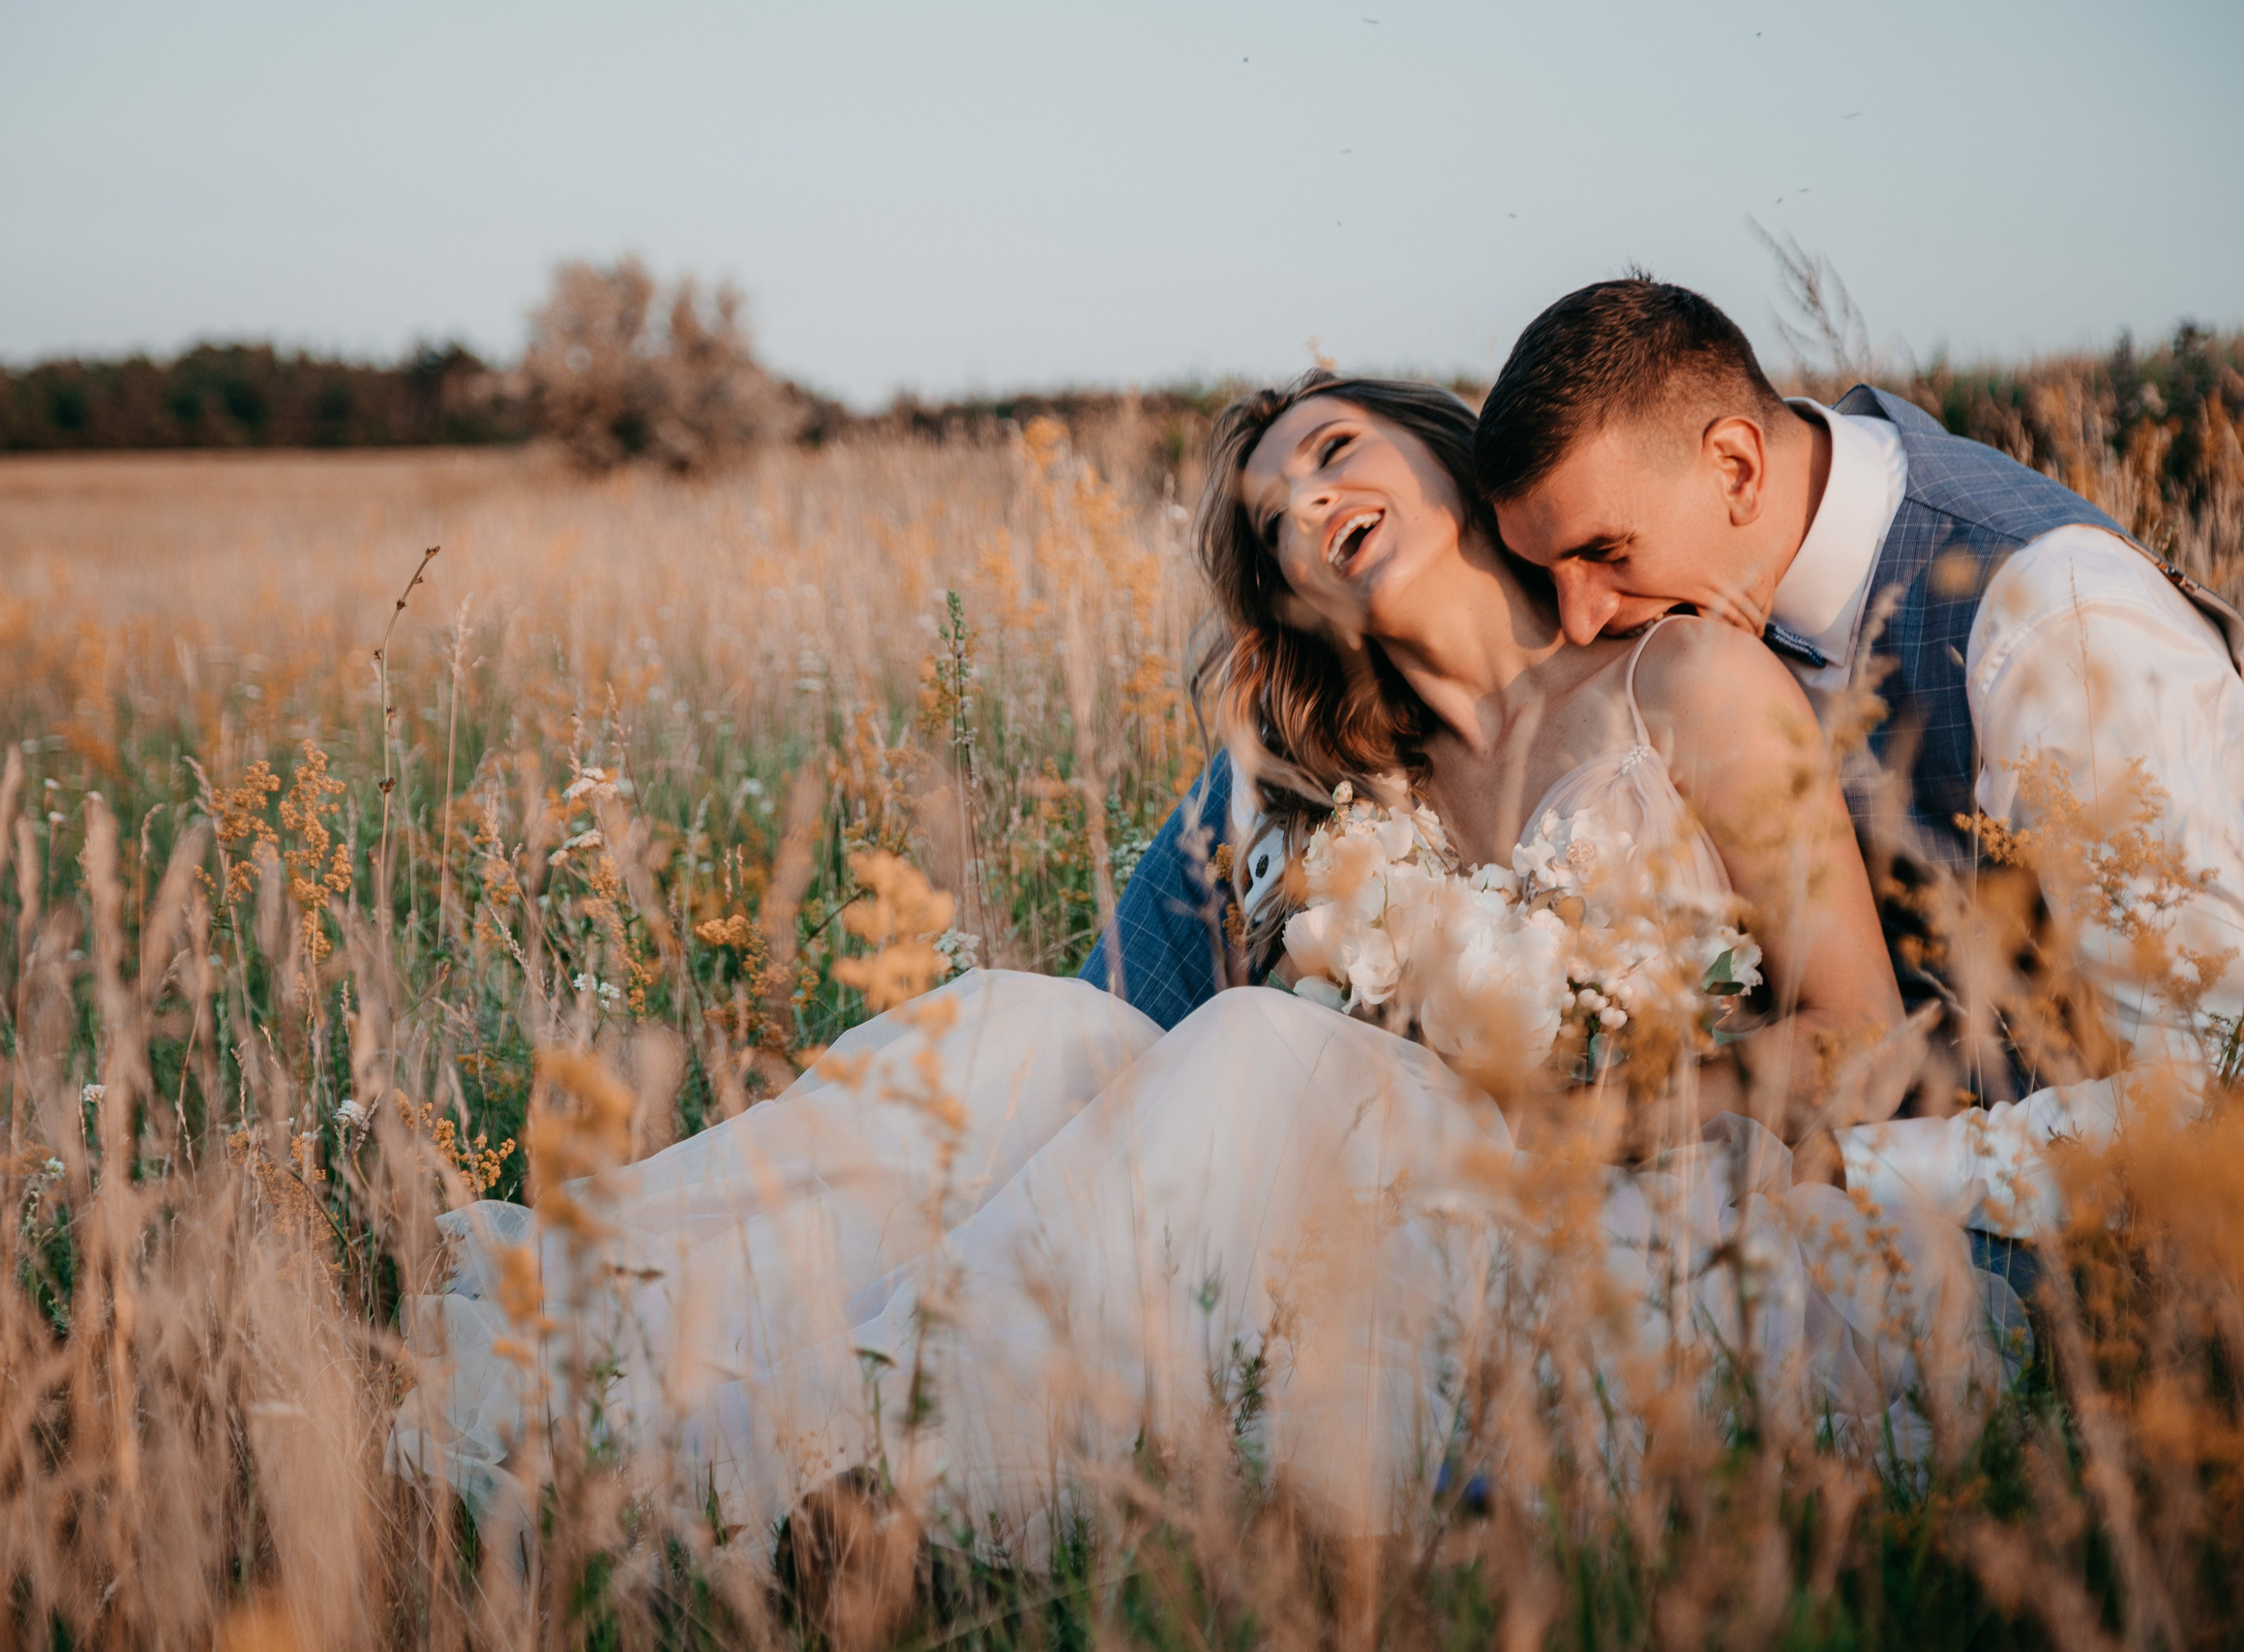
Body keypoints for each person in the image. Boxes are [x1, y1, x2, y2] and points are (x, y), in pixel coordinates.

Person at [395, 375, 2005, 1560]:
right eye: (1266, 514)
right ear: (1285, 594)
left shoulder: (1691, 679)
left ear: (1442, 451)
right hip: (1391, 1196)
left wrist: (1610, 1093)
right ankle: (581, 1325)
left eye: (1330, 449)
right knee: (1032, 1023)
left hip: (1631, 1206)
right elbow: (1142, 1030)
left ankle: (890, 1481)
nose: (1298, 500)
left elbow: (1862, 1049)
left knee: (1252, 1044)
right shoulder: (1328, 797)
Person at [1094, 279, 2244, 1258]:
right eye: (1548, 564)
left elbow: (2230, 1086)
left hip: (1961, 1189)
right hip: (1645, 1159)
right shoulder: (1677, 544)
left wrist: (1850, 1170)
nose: (1581, 611)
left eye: (1605, 555)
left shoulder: (2051, 615)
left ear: (1737, 469)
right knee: (1129, 1011)